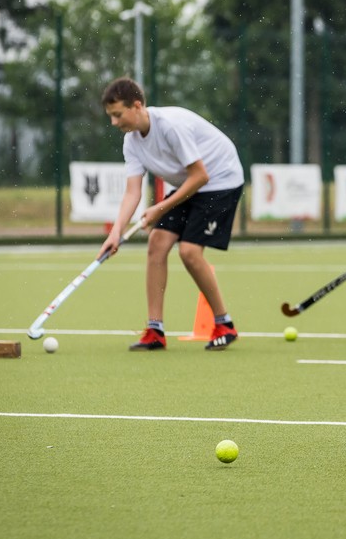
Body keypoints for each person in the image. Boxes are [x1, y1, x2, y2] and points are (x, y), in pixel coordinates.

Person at [99, 77, 244, 352]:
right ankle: (155, 331)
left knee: (189, 251)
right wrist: (116, 232)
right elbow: (132, 193)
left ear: (137, 106)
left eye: (118, 115)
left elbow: (201, 175)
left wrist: (159, 208)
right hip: (190, 183)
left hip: (221, 179)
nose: (114, 123)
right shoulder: (131, 143)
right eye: (111, 117)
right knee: (157, 244)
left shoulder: (170, 126)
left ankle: (224, 324)